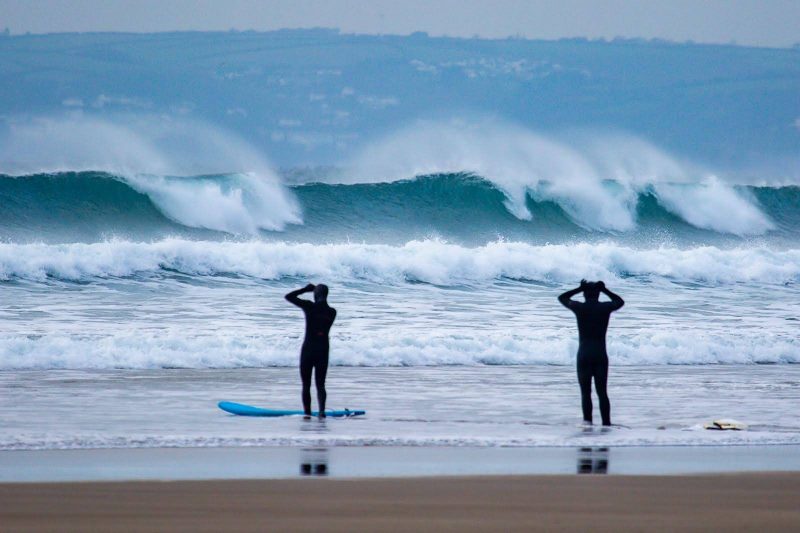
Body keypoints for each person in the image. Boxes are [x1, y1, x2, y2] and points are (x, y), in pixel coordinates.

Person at [558, 280, 624, 426]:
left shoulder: (579, 308)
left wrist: (578, 288)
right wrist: (605, 290)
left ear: (584, 294)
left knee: (585, 392)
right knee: (602, 393)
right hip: (600, 355)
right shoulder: (605, 308)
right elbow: (619, 301)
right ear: (598, 294)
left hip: (584, 355)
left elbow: (562, 298)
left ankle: (587, 423)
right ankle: (606, 424)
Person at [285, 283, 337, 418]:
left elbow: (288, 297)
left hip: (308, 349)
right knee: (320, 384)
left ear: (315, 294)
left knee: (306, 384)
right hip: (323, 350)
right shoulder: (332, 312)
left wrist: (305, 289)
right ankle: (321, 412)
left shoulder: (309, 306)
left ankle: (307, 413)